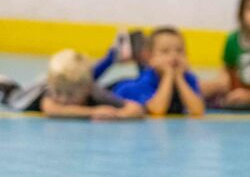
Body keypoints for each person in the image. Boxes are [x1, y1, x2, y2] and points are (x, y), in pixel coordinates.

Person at [1, 49, 144, 120]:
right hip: (14, 96)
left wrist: (117, 115)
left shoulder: (96, 92)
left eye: (70, 94)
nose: (62, 99)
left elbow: (136, 108)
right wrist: (93, 112)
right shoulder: (50, 92)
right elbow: (51, 109)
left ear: (87, 89)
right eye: (58, 92)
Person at [110, 27, 206, 117]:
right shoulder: (146, 81)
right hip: (115, 93)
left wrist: (179, 78)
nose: (174, 56)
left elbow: (198, 111)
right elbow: (157, 110)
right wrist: (168, 75)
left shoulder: (187, 78)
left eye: (179, 51)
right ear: (150, 57)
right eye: (165, 51)